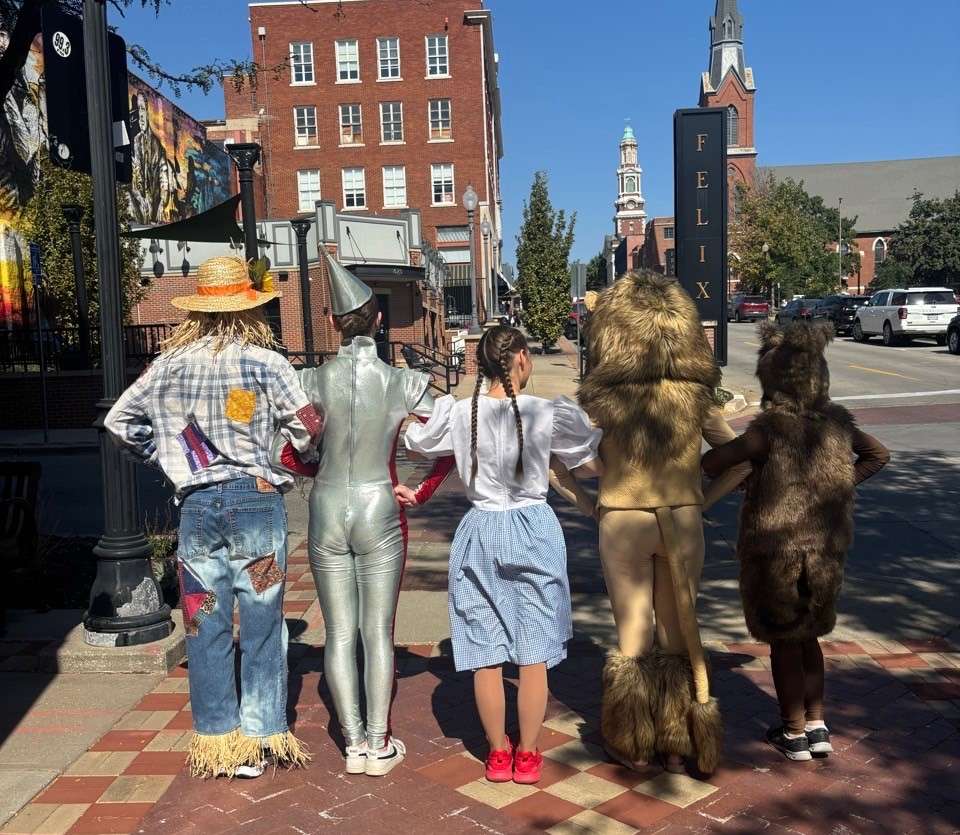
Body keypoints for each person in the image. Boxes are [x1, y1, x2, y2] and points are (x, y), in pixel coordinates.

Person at [105, 255, 321, 779]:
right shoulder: (267, 364)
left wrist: (166, 456)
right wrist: (293, 457)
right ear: (249, 308)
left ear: (197, 310)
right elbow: (308, 427)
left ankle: (218, 737)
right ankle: (262, 732)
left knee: (204, 621)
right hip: (257, 506)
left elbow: (118, 420)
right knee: (263, 619)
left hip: (198, 509)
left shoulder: (168, 365)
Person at [273, 251, 454, 777]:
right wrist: (420, 491)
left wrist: (318, 471)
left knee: (339, 631)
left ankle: (352, 743)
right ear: (378, 321)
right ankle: (379, 741)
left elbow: (284, 451)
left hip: (328, 504)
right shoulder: (403, 382)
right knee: (378, 631)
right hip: (380, 502)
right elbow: (447, 441)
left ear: (332, 323)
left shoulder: (309, 381)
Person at [404, 325, 602, 785]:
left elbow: (419, 442)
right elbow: (589, 463)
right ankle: (527, 754)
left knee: (484, 652)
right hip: (534, 529)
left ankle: (497, 753)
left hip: (480, 529)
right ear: (520, 359)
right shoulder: (546, 412)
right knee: (534, 654)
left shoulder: (459, 413)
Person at [577, 271, 749, 775]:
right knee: (679, 632)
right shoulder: (698, 399)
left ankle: (631, 740)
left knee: (634, 632)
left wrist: (590, 503)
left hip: (623, 521)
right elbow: (739, 462)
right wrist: (701, 500)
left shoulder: (603, 403)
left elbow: (576, 461)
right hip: (682, 519)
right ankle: (677, 741)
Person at [702, 322, 889, 761]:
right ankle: (818, 724)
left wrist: (749, 472)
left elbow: (713, 463)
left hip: (775, 550)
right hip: (825, 549)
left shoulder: (767, 431)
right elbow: (878, 455)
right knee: (810, 635)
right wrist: (839, 483)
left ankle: (793, 731)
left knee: (784, 639)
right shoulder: (837, 425)